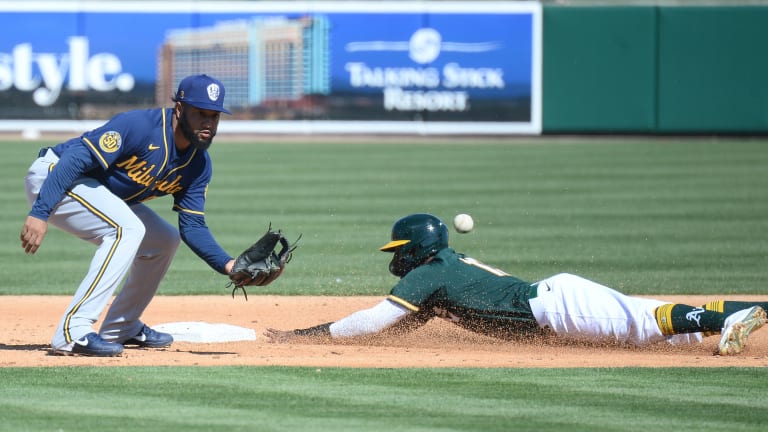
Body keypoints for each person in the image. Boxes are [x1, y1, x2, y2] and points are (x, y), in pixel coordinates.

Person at [265, 213, 767, 356]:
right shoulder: (442, 270)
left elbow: (372, 321)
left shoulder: (431, 272)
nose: (396, 261)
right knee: (665, 325)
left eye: (399, 251)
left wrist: (305, 337)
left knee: (643, 320)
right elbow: (395, 326)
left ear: (416, 248)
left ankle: (733, 319)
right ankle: (752, 309)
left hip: (556, 307)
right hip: (556, 301)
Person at [21, 74, 242, 357]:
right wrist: (40, 211)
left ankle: (120, 327)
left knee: (163, 239)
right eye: (201, 113)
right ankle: (72, 331)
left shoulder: (198, 165)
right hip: (53, 177)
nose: (209, 123)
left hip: (96, 190)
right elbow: (75, 159)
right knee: (127, 229)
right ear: (179, 109)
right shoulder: (140, 127)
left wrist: (229, 266)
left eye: (215, 116)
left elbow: (193, 225)